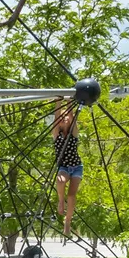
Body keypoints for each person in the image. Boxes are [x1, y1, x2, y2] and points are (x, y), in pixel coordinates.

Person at [51, 99, 82, 236]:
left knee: (72, 196)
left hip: (76, 167)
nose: (64, 119)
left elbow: (73, 116)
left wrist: (69, 102)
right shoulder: (56, 134)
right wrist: (58, 101)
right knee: (60, 180)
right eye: (62, 118)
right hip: (63, 167)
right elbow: (57, 116)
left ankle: (68, 221)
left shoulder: (73, 133)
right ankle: (60, 202)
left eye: (66, 117)